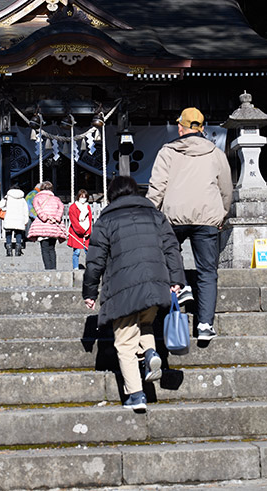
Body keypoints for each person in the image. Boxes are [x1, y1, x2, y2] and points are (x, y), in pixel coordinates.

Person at [82, 175, 186, 413]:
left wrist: (90, 292)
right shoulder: (155, 215)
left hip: (123, 288)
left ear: (113, 194)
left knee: (125, 343)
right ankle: (150, 353)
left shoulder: (106, 220)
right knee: (145, 325)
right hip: (155, 284)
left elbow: (95, 260)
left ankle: (136, 395)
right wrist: (176, 279)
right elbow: (172, 248)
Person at [146, 107, 232, 342]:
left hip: (173, 216)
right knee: (207, 272)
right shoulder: (216, 153)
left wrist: (148, 214)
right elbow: (226, 188)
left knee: (169, 256)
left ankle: (181, 286)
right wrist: (221, 215)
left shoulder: (168, 151)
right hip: (207, 219)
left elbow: (157, 187)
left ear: (180, 128)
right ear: (202, 129)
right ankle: (204, 324)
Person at [28, 181, 67, 271]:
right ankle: (53, 267)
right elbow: (61, 209)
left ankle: (48, 268)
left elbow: (38, 210)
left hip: (42, 226)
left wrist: (45, 217)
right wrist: (56, 218)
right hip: (53, 226)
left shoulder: (37, 198)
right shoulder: (56, 199)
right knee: (52, 248)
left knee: (45, 249)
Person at [0, 186, 28, 257]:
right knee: (18, 233)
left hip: (9, 218)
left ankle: (9, 251)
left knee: (8, 234)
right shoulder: (22, 199)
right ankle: (18, 251)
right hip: (19, 219)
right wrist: (25, 221)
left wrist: (4, 198)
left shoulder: (8, 197)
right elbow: (25, 210)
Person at [67, 189, 93, 269]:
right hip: (76, 232)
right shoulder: (73, 207)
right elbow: (74, 221)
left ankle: (90, 267)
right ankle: (75, 268)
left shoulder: (87, 207)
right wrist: (81, 231)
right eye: (82, 197)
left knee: (87, 251)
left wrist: (88, 232)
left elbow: (89, 219)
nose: (83, 199)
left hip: (86, 231)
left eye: (85, 197)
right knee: (76, 252)